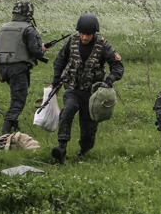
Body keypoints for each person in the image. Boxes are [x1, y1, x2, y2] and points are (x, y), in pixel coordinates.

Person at [50, 13, 124, 163]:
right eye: (82, 33)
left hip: (93, 94)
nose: (84, 37)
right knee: (67, 111)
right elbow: (60, 60)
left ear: (94, 33)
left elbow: (117, 67)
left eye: (88, 34)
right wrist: (56, 80)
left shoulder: (103, 45)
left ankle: (84, 150)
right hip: (72, 89)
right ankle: (61, 147)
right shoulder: (72, 42)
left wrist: (108, 81)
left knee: (88, 129)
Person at [0, 0, 46, 134]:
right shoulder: (28, 29)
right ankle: (5, 133)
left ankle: (15, 127)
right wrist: (42, 50)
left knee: (15, 96)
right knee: (18, 101)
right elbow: (36, 51)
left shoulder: (3, 28)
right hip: (18, 69)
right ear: (30, 13)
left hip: (2, 68)